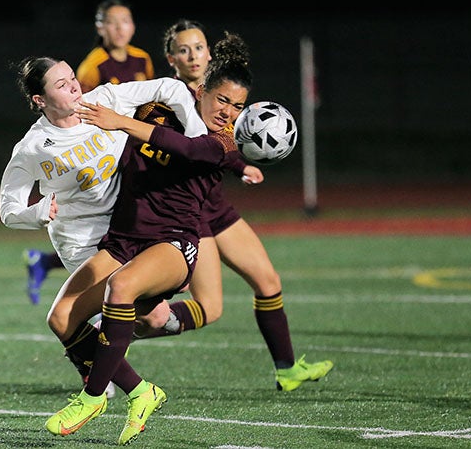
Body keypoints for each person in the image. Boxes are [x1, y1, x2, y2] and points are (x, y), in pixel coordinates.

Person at [43, 32, 262, 446]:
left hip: (175, 243)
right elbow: (112, 103)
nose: (228, 112)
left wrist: (244, 165)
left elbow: (183, 149)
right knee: (62, 317)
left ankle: (92, 397)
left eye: (237, 106)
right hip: (123, 238)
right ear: (202, 90)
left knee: (120, 287)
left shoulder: (220, 142)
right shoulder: (158, 105)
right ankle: (143, 392)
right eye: (222, 100)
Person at [132, 19, 334, 392]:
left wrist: (242, 164)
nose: (193, 55)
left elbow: (223, 144)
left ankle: (286, 369)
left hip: (216, 206)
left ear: (210, 52)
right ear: (170, 58)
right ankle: (116, 332)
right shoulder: (168, 98)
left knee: (269, 281)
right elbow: (188, 150)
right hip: (187, 212)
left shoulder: (226, 91)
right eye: (184, 49)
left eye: (199, 47)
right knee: (209, 307)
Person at [0, 57, 206, 400]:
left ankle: (92, 351)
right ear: (40, 100)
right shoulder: (33, 148)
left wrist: (197, 138)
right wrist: (37, 213)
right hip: (81, 239)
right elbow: (8, 210)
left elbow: (169, 87)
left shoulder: (103, 102)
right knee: (94, 311)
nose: (74, 86)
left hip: (129, 223)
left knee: (155, 319)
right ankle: (120, 383)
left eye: (71, 78)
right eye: (61, 85)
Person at [23, 0, 155, 305]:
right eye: (112, 22)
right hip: (108, 153)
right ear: (101, 27)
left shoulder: (143, 59)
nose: (120, 28)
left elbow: (148, 105)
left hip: (135, 146)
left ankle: (45, 263)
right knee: (117, 224)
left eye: (125, 21)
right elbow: (74, 110)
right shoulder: (92, 65)